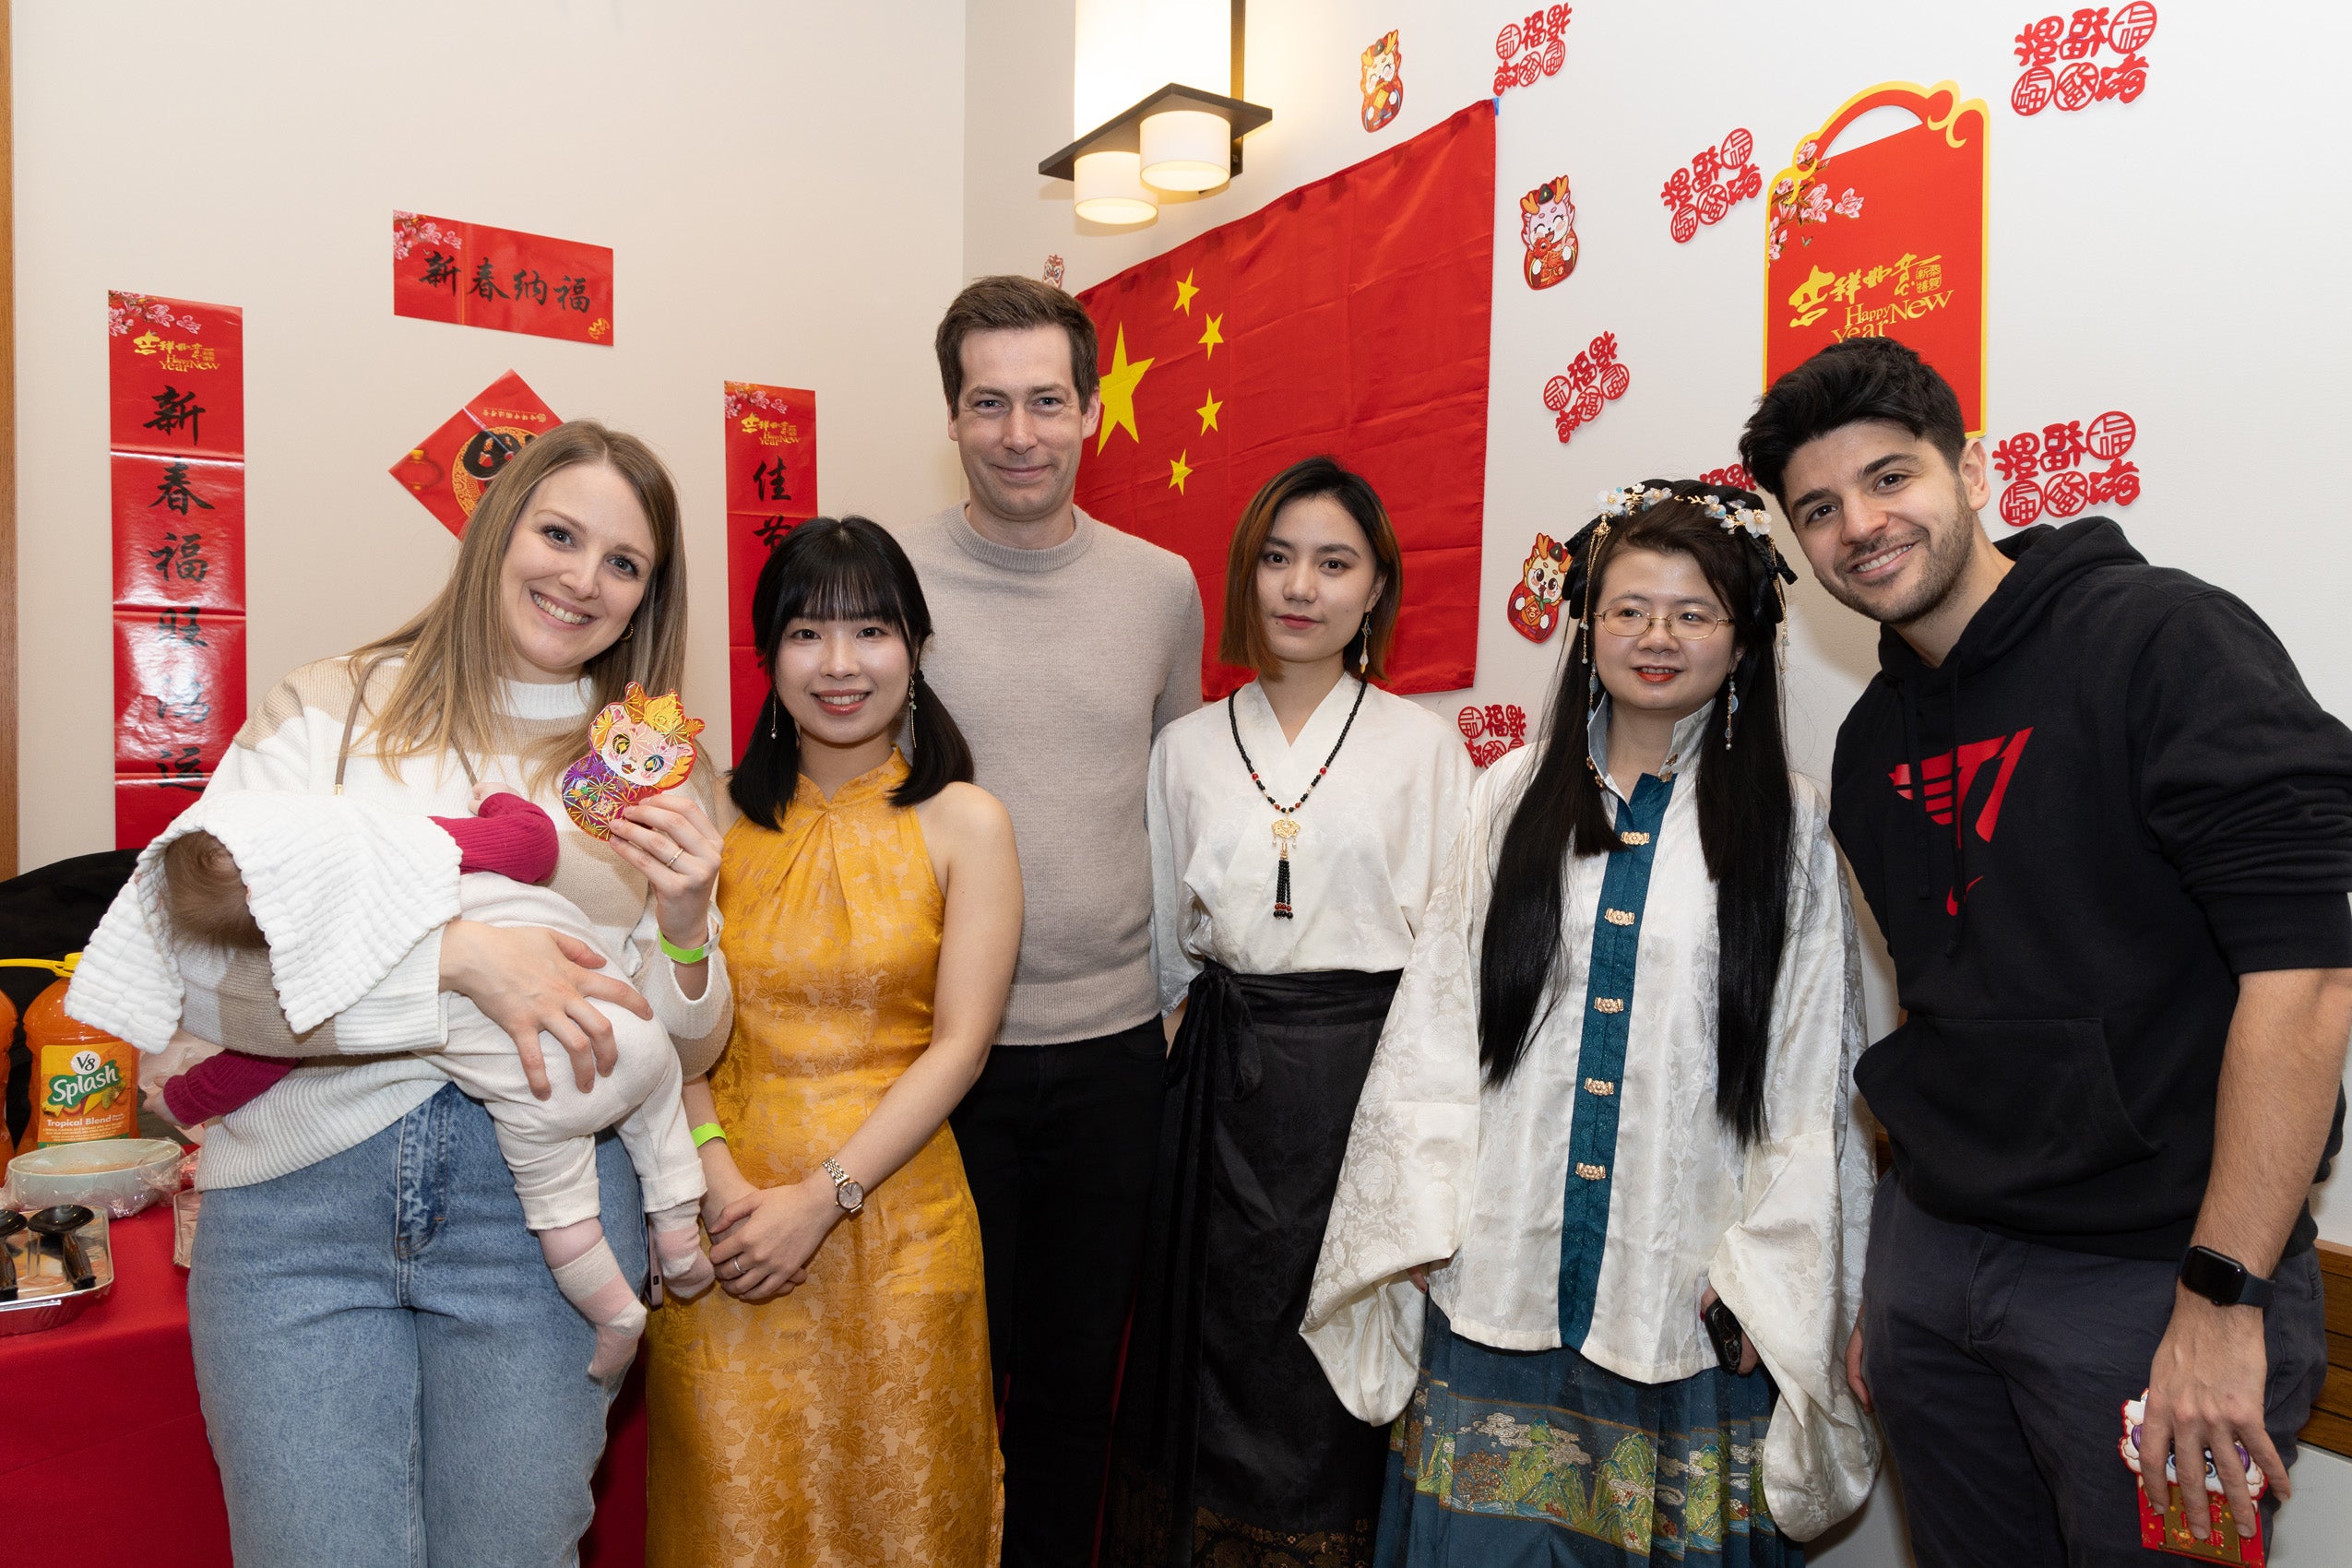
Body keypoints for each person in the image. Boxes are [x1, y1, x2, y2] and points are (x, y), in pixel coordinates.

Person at [70, 419, 732, 1566]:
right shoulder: (329, 708)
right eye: (560, 533)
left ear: (648, 597)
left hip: (546, 1217)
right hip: (295, 1210)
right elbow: (204, 975)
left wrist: (682, 927)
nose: (583, 578)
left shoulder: (649, 770)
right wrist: (452, 960)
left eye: (623, 563)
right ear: (495, 529)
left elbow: (688, 1049)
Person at [1738, 337, 2352, 1564]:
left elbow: (2307, 983)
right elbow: (1935, 1002)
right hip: (1938, 1268)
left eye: (1888, 477)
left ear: (1970, 470)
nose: (1858, 523)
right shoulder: (1867, 749)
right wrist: (1893, 1280)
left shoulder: (2164, 642)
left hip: (2150, 1282)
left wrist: (2222, 1297)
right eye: (1818, 509)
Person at [1305, 481, 1880, 1563]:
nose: (1656, 635)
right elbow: (1437, 1029)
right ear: (1586, 629)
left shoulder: (1789, 825)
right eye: (1628, 609)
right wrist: (1426, 1219)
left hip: (1686, 1290)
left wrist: (1766, 1272)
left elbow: (1811, 1072)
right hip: (1499, 1271)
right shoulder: (1508, 795)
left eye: (1693, 612)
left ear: (1745, 639)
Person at [1104, 457, 1472, 1566]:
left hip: (1369, 1080)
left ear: (1376, 591)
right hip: (1218, 1082)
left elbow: (1454, 964)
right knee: (1214, 1347)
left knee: (1343, 1348)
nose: (1299, 586)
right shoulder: (1186, 748)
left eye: (1333, 562)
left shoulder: (1425, 747)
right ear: (1245, 574)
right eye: (1276, 558)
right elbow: (1171, 954)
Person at [896, 273, 1205, 1564]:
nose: (1018, 431)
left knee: (1079, 1387)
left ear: (1089, 412)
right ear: (952, 417)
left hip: (1114, 1055)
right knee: (945, 1382)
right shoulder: (890, 577)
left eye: (1044, 401)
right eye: (987, 403)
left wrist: (1184, 996)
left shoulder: (1160, 586)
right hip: (926, 1060)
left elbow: (1188, 795)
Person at [645, 516, 1022, 1565]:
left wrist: (822, 1197)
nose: (842, 663)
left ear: (916, 645)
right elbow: (667, 1026)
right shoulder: (703, 818)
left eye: (873, 630)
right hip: (727, 1235)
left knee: (904, 1514)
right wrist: (720, 1180)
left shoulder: (968, 822)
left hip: (901, 1229)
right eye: (809, 632)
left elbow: (961, 1048)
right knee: (733, 1520)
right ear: (768, 655)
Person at [80, 786, 713, 1381]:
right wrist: (493, 798)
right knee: (660, 1132)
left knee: (566, 1217)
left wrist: (181, 1096)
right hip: (635, 1025)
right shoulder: (412, 841)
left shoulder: (322, 967)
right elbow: (531, 844)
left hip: (549, 1092)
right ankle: (682, 1247)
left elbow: (257, 1062)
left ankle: (615, 1315)